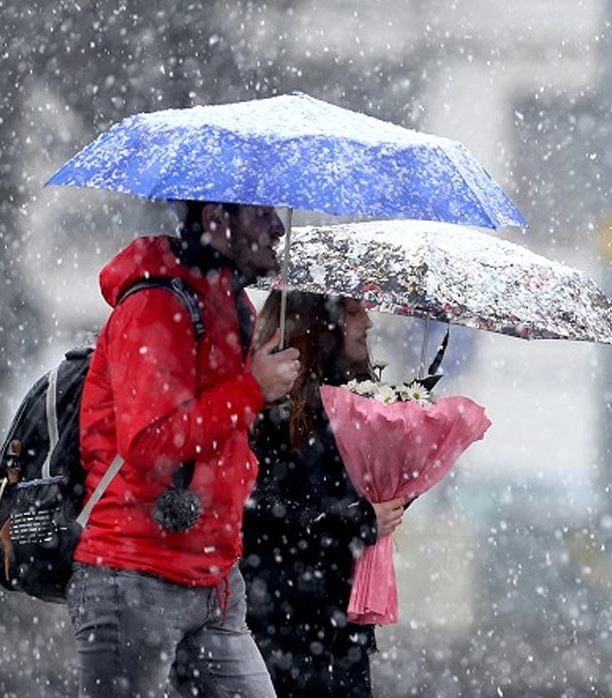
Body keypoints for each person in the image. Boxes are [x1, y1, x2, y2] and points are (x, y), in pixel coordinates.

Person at [70, 201, 301, 698]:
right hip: (134, 576)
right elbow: (150, 445)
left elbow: (222, 434)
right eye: (261, 214)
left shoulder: (232, 305)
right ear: (217, 216)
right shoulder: (156, 304)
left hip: (215, 579)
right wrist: (252, 390)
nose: (278, 226)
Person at [243, 291, 406, 698]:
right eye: (354, 313)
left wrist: (398, 486)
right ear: (320, 325)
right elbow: (261, 513)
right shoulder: (272, 408)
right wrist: (360, 519)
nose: (367, 323)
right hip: (282, 624)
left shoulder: (357, 402)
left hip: (337, 626)